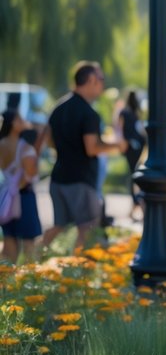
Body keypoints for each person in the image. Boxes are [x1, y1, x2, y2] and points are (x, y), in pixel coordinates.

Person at [42, 62, 125, 251]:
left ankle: (32, 260)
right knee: (88, 231)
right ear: (91, 80)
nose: (102, 85)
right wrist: (117, 145)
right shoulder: (89, 114)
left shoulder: (58, 108)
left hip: (58, 178)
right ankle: (80, 274)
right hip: (80, 181)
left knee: (58, 226)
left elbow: (49, 141)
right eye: (101, 80)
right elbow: (92, 148)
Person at [0, 110, 42, 262]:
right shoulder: (24, 147)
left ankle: (5, 279)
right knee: (29, 243)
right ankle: (27, 280)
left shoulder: (2, 144)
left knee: (9, 243)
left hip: (5, 198)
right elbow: (29, 174)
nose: (24, 121)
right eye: (20, 119)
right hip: (23, 196)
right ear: (13, 123)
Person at [117, 90, 147, 220]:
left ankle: (136, 202)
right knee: (136, 174)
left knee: (133, 175)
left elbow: (119, 129)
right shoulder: (136, 113)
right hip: (139, 145)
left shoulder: (124, 112)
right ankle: (136, 204)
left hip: (130, 146)